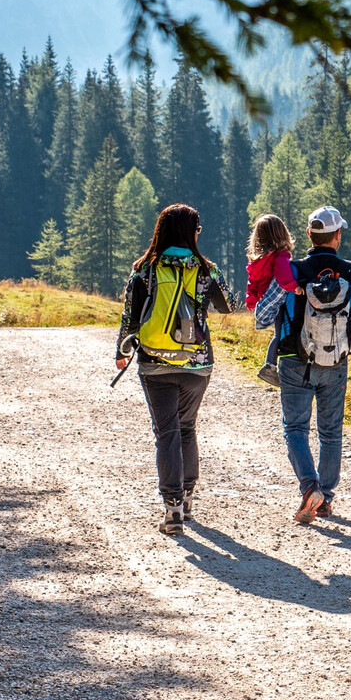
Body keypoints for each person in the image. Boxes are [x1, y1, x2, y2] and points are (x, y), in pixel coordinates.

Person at [254, 206, 351, 524]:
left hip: (293, 360)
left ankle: (310, 487)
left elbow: (261, 319)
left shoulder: (290, 270)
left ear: (309, 235)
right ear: (338, 236)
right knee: (331, 433)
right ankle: (325, 499)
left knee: (295, 428)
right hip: (335, 362)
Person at [116, 204, 232, 535]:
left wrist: (121, 352)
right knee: (187, 428)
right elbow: (228, 305)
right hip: (198, 364)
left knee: (166, 432)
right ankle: (189, 495)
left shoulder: (145, 270)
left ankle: (172, 509)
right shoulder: (207, 269)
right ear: (192, 232)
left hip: (155, 363)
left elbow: (130, 316)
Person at [243, 214, 301, 389]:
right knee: (279, 333)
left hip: (264, 299)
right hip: (278, 300)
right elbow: (283, 277)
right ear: (282, 234)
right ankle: (270, 365)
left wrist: (251, 300)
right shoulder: (281, 256)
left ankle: (270, 365)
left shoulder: (257, 260)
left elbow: (252, 281)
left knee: (277, 332)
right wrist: (294, 287)